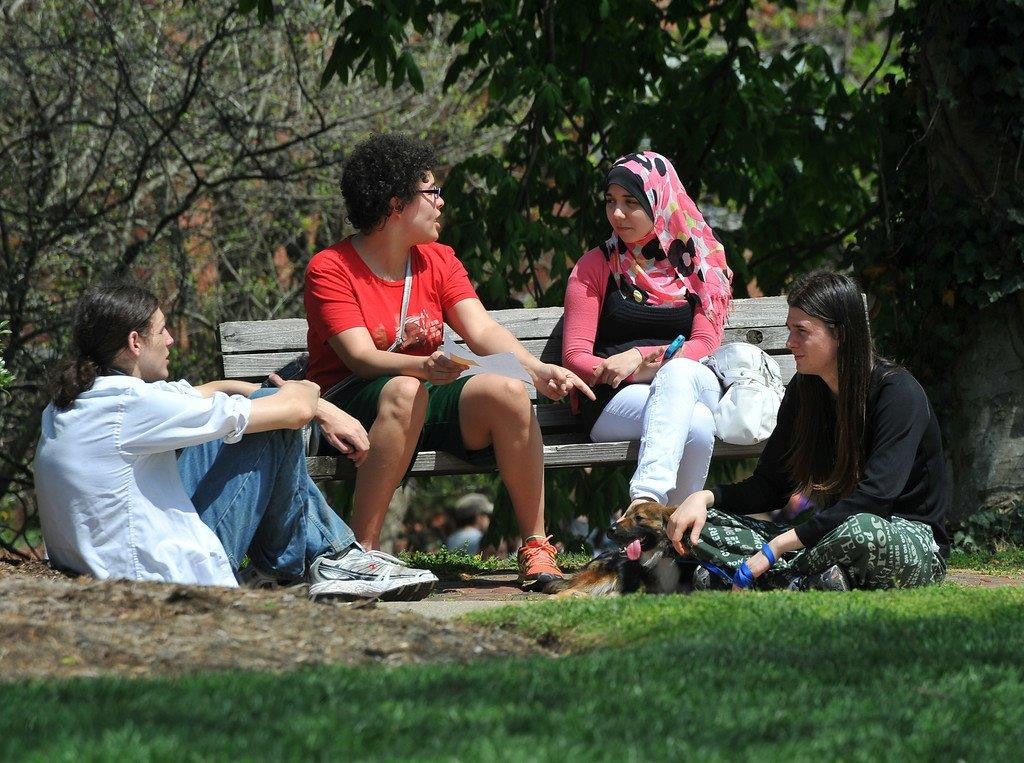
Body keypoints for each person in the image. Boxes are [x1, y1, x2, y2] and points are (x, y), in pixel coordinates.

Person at [303, 133, 595, 591]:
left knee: (508, 391)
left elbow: (482, 332)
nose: (441, 202)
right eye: (431, 192)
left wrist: (533, 369)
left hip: (424, 392)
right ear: (396, 204)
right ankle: (361, 554)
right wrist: (423, 368)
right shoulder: (331, 267)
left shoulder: (437, 260)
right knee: (405, 389)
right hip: (353, 405)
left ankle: (536, 547)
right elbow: (359, 357)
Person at [33, 284, 438, 601]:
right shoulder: (133, 404)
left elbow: (209, 389)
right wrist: (310, 398)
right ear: (136, 342)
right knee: (270, 419)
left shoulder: (82, 399)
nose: (172, 340)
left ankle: (318, 560)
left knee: (260, 404)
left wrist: (319, 409)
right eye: (163, 330)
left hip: (113, 566)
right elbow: (288, 414)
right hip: (162, 577)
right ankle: (328, 558)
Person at [665, 269, 950, 591]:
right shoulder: (804, 390)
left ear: (840, 334)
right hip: (826, 536)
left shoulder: (898, 393)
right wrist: (705, 497)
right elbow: (770, 486)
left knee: (864, 531)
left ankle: (767, 573)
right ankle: (812, 579)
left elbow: (874, 499)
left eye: (801, 331)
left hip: (903, 538)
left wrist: (775, 548)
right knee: (702, 525)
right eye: (789, 330)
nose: (790, 343)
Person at [562, 150, 733, 511]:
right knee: (698, 422)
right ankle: (675, 536)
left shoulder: (701, 266)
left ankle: (646, 504)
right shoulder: (596, 265)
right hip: (614, 398)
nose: (617, 214)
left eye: (631, 202)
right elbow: (575, 356)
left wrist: (641, 359)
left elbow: (704, 344)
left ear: (660, 200)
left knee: (680, 374)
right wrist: (614, 371)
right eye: (611, 202)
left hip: (684, 381)